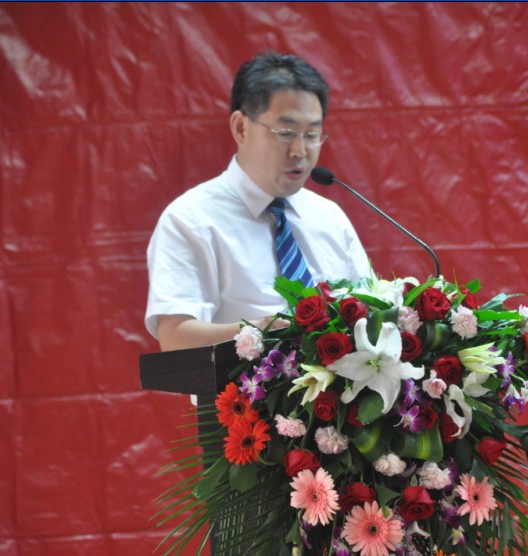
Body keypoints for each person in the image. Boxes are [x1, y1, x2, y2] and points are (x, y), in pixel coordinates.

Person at [145, 50, 371, 351]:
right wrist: (263, 331)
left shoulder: (328, 217)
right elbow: (175, 339)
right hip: (241, 383)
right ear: (241, 128)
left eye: (311, 134)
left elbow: (371, 311)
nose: (299, 151)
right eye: (286, 132)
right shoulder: (190, 220)